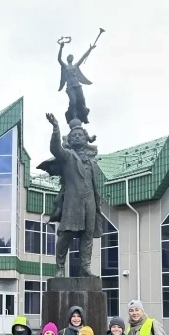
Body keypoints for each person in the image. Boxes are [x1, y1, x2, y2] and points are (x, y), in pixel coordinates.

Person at [45, 113, 103, 277]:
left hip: (90, 201)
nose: (77, 137)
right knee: (66, 235)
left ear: (85, 139)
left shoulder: (92, 160)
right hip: (72, 202)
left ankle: (85, 268)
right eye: (74, 135)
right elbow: (55, 148)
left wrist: (96, 202)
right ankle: (60, 267)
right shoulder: (68, 156)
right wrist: (56, 128)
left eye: (80, 135)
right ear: (70, 140)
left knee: (87, 236)